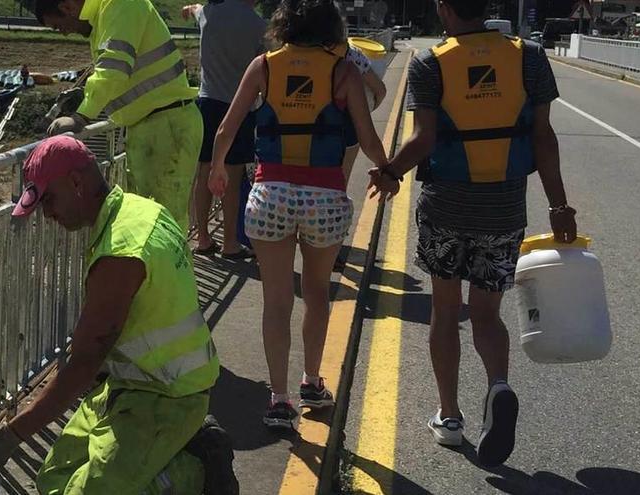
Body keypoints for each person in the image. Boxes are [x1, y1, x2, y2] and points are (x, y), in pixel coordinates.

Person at [0, 136, 237, 494]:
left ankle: (197, 470)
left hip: (169, 395)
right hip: (132, 382)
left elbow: (82, 364)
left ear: (76, 183)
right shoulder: (139, 209)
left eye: (49, 200)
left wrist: (9, 436)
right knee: (52, 481)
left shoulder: (121, 254)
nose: (48, 214)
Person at [369, 0, 577, 467]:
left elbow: (423, 139)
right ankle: (498, 387)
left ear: (443, 9)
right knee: (487, 312)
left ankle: (449, 417)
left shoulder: (430, 62)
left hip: (446, 204)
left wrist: (389, 171)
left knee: (446, 311)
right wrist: (559, 206)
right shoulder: (530, 56)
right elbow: (544, 137)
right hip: (504, 207)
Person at [208, 0, 388, 429]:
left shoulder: (264, 66)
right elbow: (367, 139)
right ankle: (310, 381)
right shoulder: (343, 71)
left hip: (270, 195)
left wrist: (217, 169)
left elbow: (225, 129)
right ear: (331, 27)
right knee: (317, 294)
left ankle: (279, 399)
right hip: (324, 199)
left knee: (276, 300)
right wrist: (389, 171)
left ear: (282, 25)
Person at [36, 0, 202, 234]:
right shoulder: (105, 15)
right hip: (153, 126)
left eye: (57, 26)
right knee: (149, 220)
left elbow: (113, 69)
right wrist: (85, 96)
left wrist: (83, 115)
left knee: (165, 222)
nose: (63, 32)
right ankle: (153, 270)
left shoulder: (120, 5)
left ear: (66, 7)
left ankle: (168, 270)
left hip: (165, 125)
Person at [182, 0, 266, 259]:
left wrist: (190, 8)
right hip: (240, 106)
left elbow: (194, 10)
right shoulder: (257, 24)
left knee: (205, 169)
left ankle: (203, 237)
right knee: (232, 175)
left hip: (208, 101)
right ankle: (230, 242)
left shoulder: (209, 12)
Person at [341, 45, 387, 182]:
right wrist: (386, 169)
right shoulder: (349, 54)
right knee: (340, 183)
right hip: (344, 127)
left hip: (291, 126)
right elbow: (380, 90)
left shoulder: (278, 58)